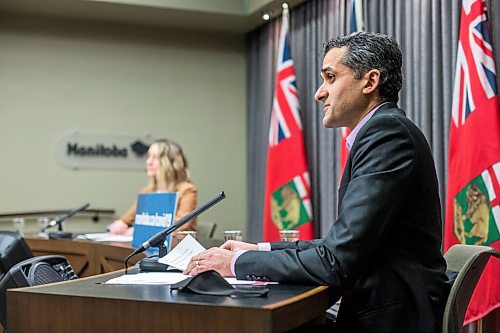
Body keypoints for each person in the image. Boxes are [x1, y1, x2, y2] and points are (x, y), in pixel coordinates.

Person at [184, 32, 447, 332]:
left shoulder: (387, 135)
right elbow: (341, 246)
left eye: (331, 77)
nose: (319, 93)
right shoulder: (384, 132)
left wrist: (234, 264)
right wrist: (260, 249)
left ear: (370, 82)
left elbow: (336, 261)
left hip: (390, 319)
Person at [108, 139, 197, 238]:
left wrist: (138, 231)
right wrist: (120, 224)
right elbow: (128, 218)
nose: (148, 162)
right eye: (148, 156)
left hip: (177, 248)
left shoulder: (187, 190)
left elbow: (180, 225)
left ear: (169, 162)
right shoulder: (147, 191)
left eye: (154, 157)